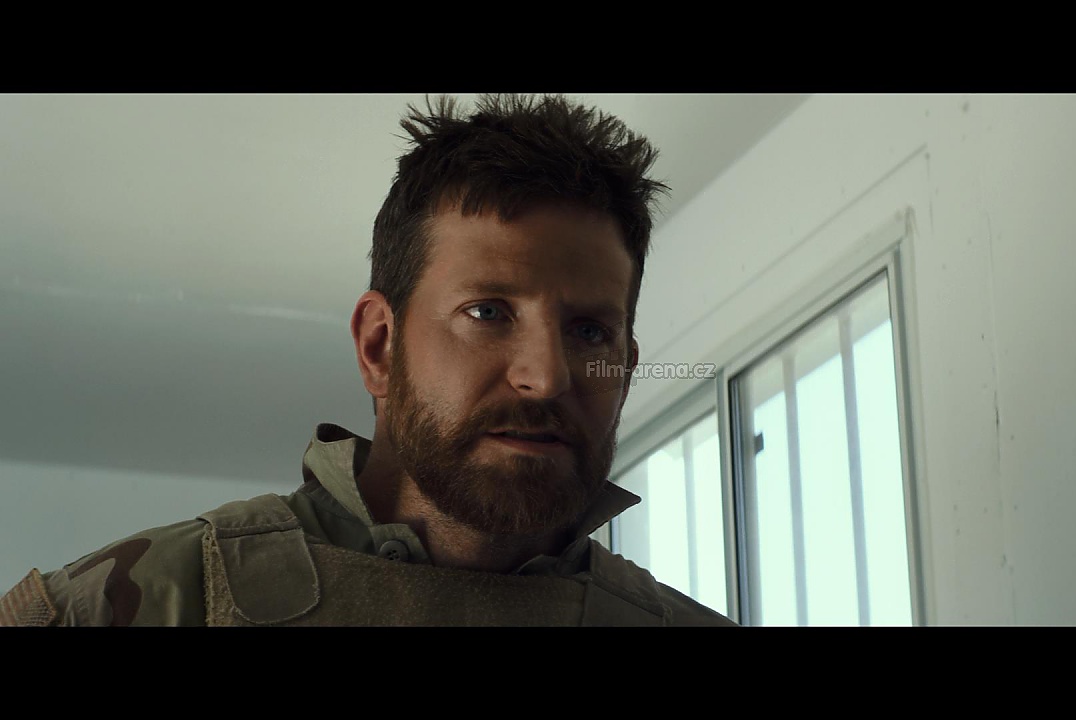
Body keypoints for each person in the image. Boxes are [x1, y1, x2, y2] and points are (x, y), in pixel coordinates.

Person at [0, 94, 737, 627]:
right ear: (379, 345)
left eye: (590, 332)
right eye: (488, 313)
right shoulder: (139, 603)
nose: (545, 377)